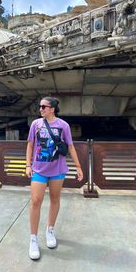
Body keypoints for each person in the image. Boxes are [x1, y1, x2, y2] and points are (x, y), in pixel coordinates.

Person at [26, 96, 83, 260]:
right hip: (39, 169)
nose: (41, 109)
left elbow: (70, 146)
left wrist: (78, 167)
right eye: (40, 106)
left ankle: (50, 229)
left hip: (58, 169)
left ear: (52, 109)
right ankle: (33, 238)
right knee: (35, 200)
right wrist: (27, 165)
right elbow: (30, 144)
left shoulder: (63, 125)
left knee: (55, 199)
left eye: (44, 107)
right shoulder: (36, 124)